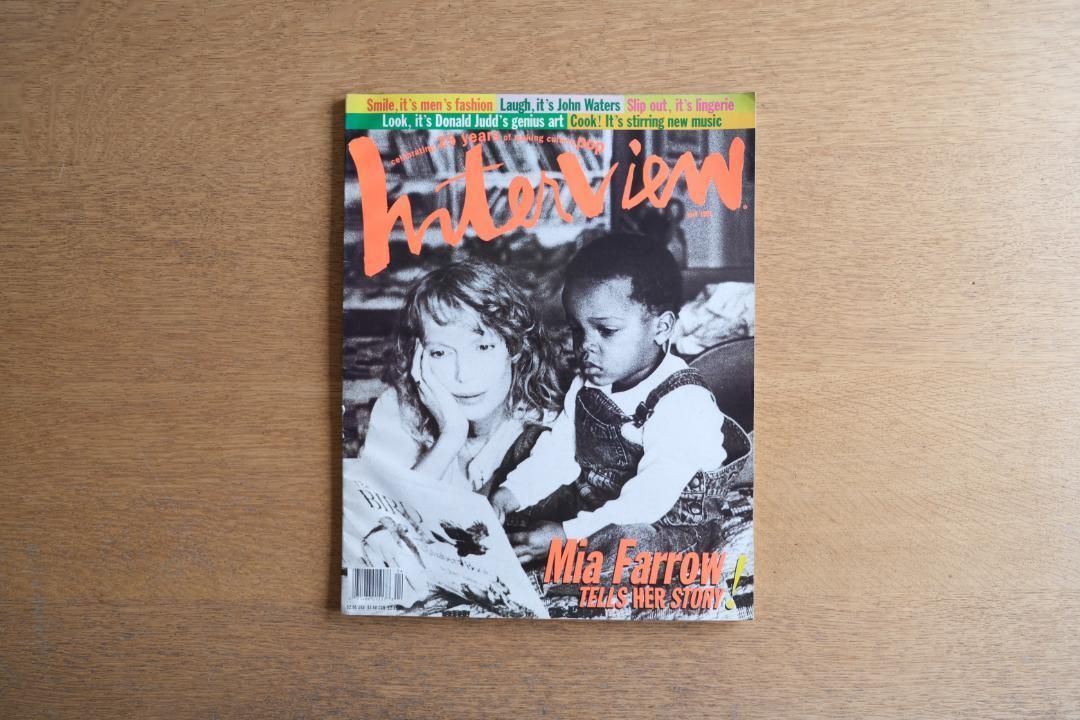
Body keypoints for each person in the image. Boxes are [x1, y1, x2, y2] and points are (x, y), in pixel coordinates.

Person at [492, 233, 739, 562]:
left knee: (634, 544)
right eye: (577, 329)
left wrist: (568, 536)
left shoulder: (684, 402)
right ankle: (522, 534)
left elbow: (648, 500)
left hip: (667, 523)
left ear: (662, 328)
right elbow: (560, 453)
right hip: (598, 500)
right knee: (529, 445)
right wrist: (511, 493)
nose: (585, 346)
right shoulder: (589, 382)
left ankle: (567, 559)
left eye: (606, 331)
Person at [358, 260, 563, 496]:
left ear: (515, 346)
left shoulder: (551, 426)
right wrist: (451, 436)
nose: (463, 374)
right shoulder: (397, 408)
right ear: (417, 356)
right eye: (440, 353)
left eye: (483, 347)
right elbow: (378, 513)